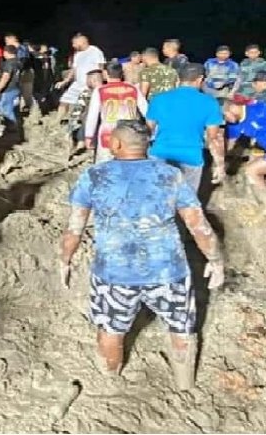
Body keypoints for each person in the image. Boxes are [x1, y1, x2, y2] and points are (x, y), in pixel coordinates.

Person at [58, 120, 224, 389]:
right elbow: (199, 226)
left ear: (116, 143)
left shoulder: (95, 176)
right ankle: (185, 388)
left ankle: (111, 380)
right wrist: (216, 261)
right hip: (169, 271)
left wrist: (65, 260)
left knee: (111, 332)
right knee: (181, 329)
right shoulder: (171, 175)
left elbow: (74, 229)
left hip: (114, 275)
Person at [146, 63, 225, 192]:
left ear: (179, 78)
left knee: (159, 199)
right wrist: (219, 165)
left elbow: (147, 131)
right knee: (188, 203)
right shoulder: (209, 102)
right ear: (199, 79)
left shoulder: (159, 99)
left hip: (160, 153)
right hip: (191, 156)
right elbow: (213, 138)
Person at [84, 62, 148, 163]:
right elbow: (146, 111)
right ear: (121, 73)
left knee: (104, 167)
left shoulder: (100, 90)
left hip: (108, 133)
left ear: (105, 73)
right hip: (131, 134)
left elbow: (93, 115)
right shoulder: (133, 88)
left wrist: (89, 136)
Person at [56, 33, 106, 118]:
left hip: (90, 85)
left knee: (87, 107)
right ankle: (57, 122)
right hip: (78, 84)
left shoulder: (95, 51)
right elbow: (74, 69)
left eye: (74, 43)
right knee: (64, 101)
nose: (73, 45)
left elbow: (101, 67)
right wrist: (65, 81)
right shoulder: (77, 54)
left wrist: (99, 84)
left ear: (82, 42)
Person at [68, 70, 104, 153]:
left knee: (85, 116)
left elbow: (77, 112)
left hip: (90, 126)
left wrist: (70, 130)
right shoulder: (109, 91)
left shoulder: (87, 93)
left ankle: (81, 142)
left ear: (92, 80)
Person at [0, 45, 22, 125]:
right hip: (16, 88)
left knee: (5, 109)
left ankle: (15, 126)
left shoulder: (9, 63)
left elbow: (6, 77)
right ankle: (10, 124)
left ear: (6, 52)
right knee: (3, 105)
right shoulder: (18, 62)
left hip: (9, 89)